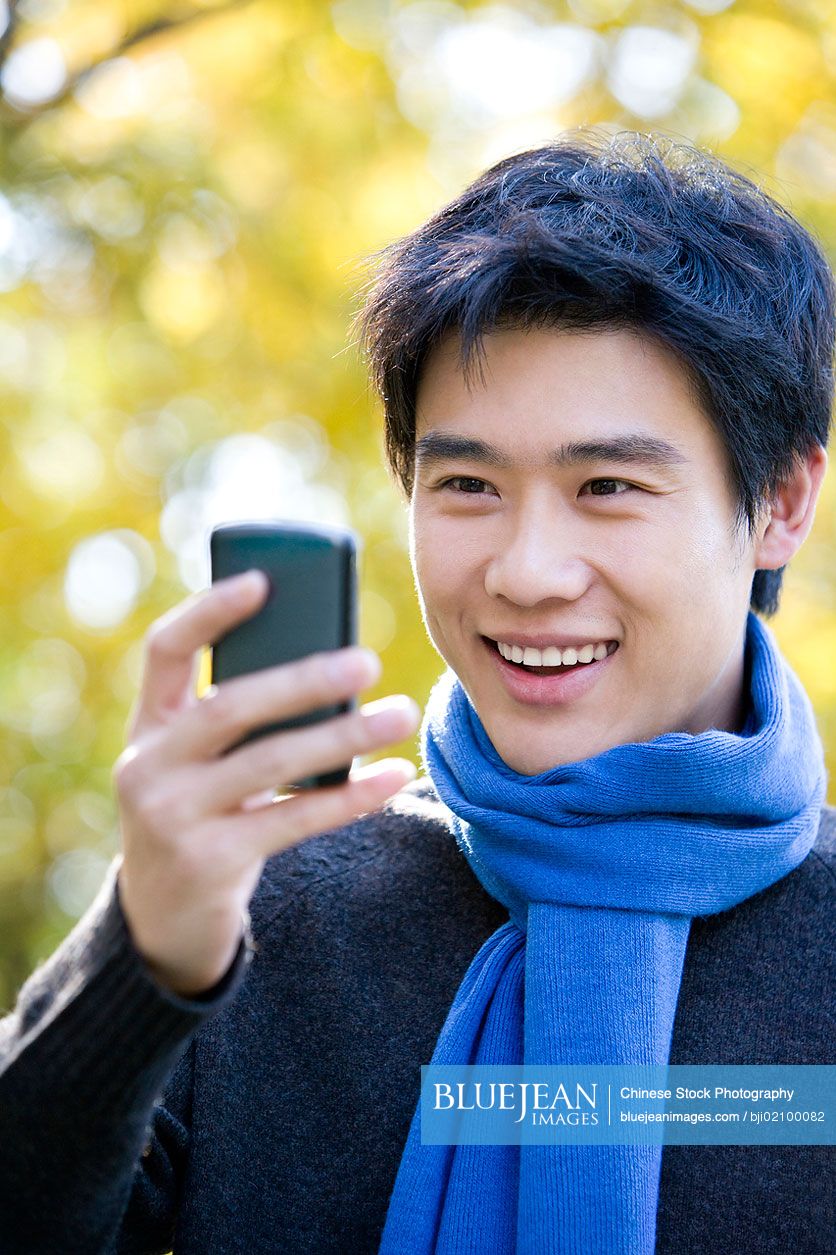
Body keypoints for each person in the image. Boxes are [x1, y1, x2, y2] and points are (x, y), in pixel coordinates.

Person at [1, 130, 833, 1255]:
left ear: (780, 501)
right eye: (466, 484)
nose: (525, 571)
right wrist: (139, 964)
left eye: (605, 484)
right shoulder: (266, 915)